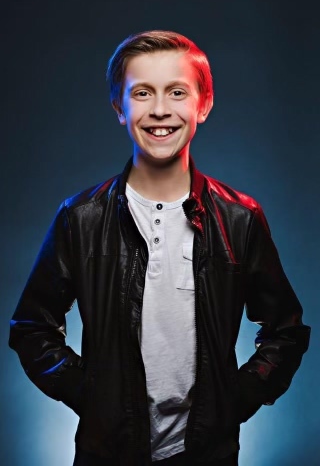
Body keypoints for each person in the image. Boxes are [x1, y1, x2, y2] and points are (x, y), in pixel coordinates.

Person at [9, 30, 310, 466]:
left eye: (177, 92)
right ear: (119, 107)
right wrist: (91, 395)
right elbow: (31, 327)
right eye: (143, 92)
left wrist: (236, 400)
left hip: (208, 454)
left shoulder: (239, 218)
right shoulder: (81, 217)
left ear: (202, 104)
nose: (160, 109)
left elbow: (286, 331)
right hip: (106, 452)